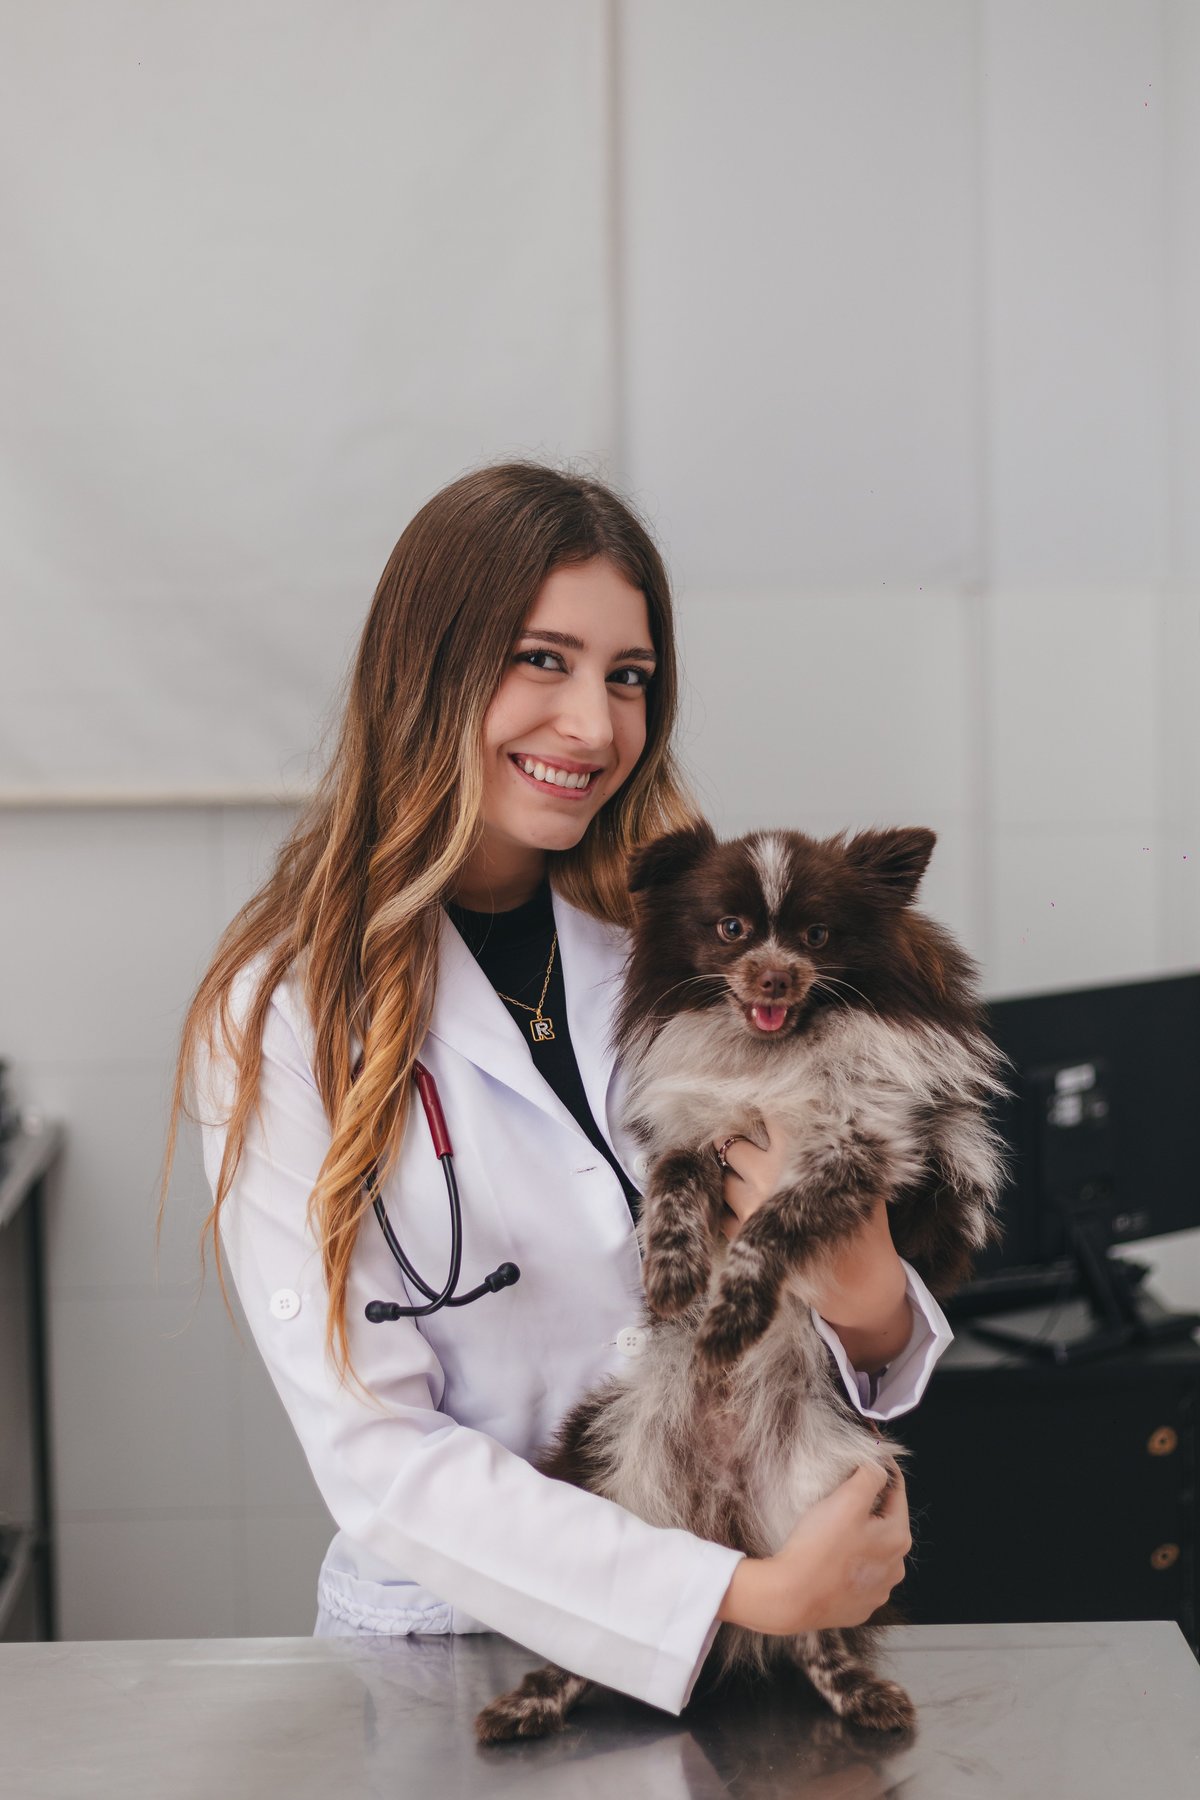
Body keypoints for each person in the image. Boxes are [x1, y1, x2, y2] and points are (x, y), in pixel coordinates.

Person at [160, 462, 947, 1717]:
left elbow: (819, 1298)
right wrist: (730, 1596)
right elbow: (379, 1459)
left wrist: (874, 1309)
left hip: (757, 1623)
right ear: (429, 669)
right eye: (544, 660)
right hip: (458, 1658)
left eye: (628, 678)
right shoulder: (283, 1017)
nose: (594, 726)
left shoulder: (677, 957)